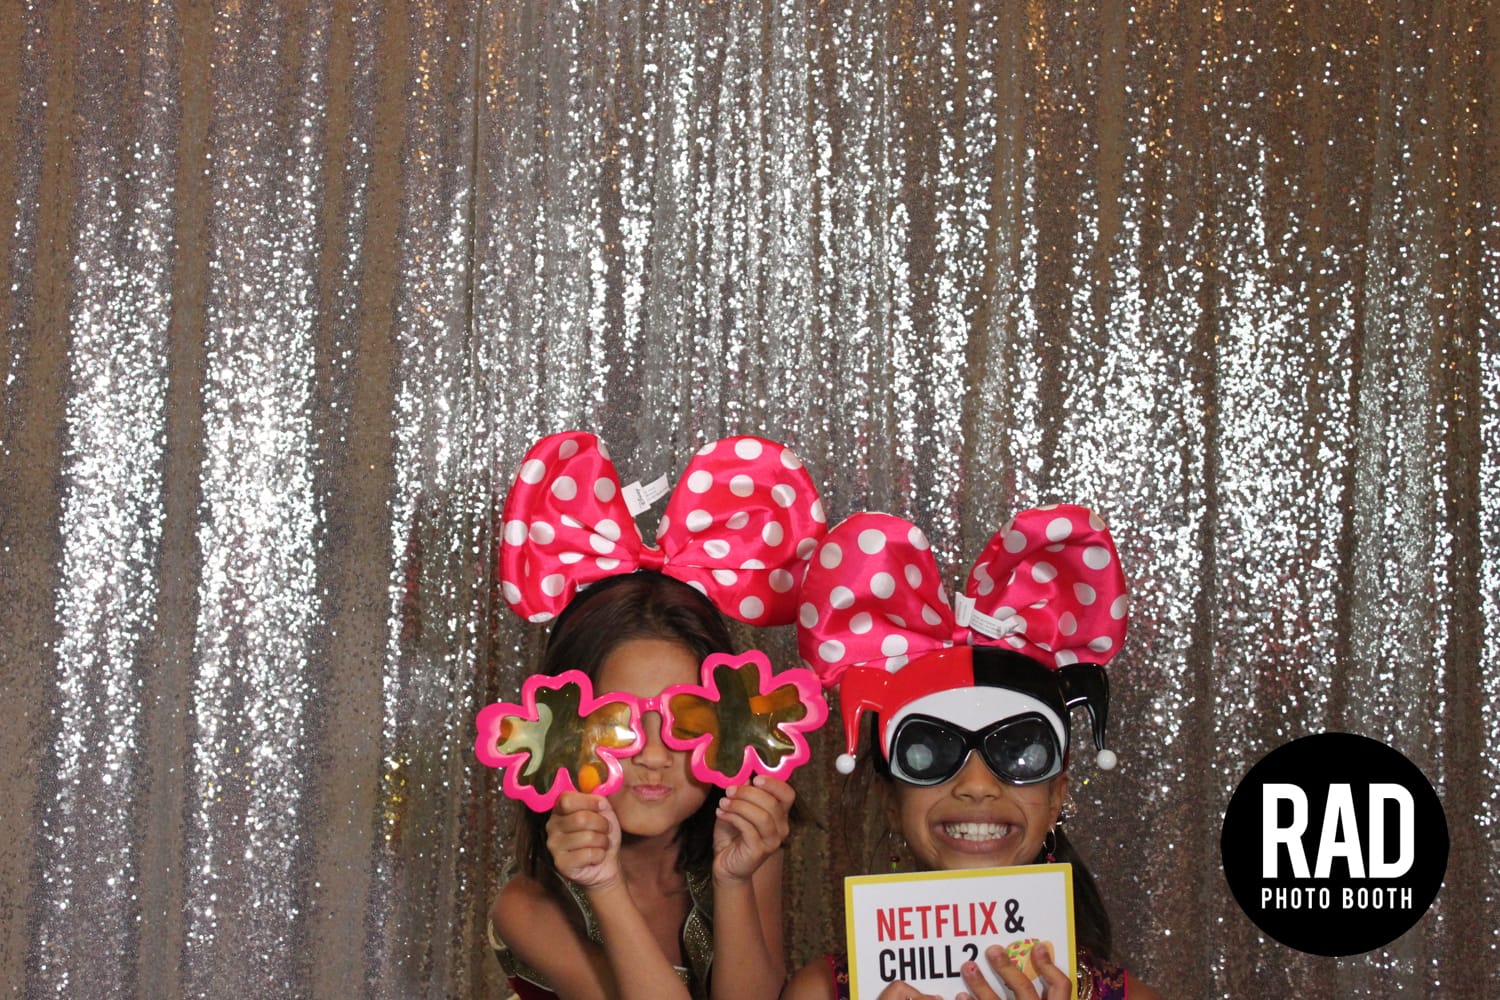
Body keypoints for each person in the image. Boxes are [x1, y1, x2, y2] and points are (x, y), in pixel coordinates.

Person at [484, 431, 827, 1000]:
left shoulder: (744, 844)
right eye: (618, 721)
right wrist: (604, 885)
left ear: (732, 723)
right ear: (560, 729)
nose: (651, 754)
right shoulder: (526, 906)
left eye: (685, 719)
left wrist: (734, 879)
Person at [780, 508, 1162, 1000]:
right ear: (891, 802)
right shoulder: (816, 992)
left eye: (1019, 752)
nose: (977, 786)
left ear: (1056, 799)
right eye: (929, 753)